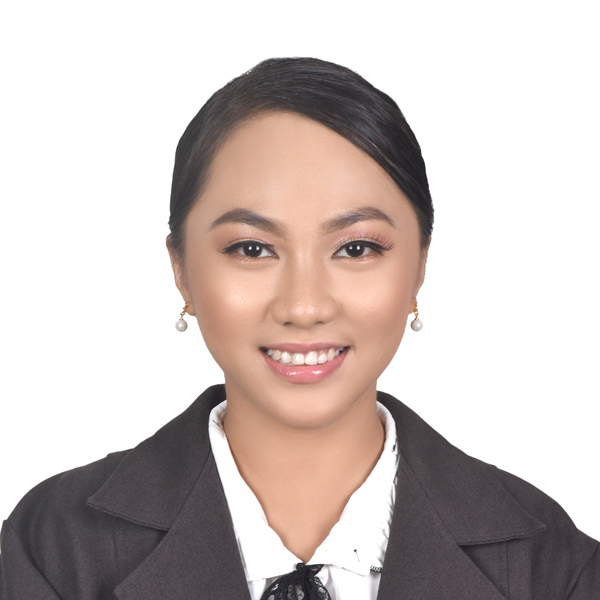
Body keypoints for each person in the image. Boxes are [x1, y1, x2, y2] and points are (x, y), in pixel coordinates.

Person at [1, 57, 598, 600]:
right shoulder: (53, 548)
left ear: (420, 266)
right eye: (252, 248)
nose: (305, 307)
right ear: (180, 269)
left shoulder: (554, 567)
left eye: (357, 248)